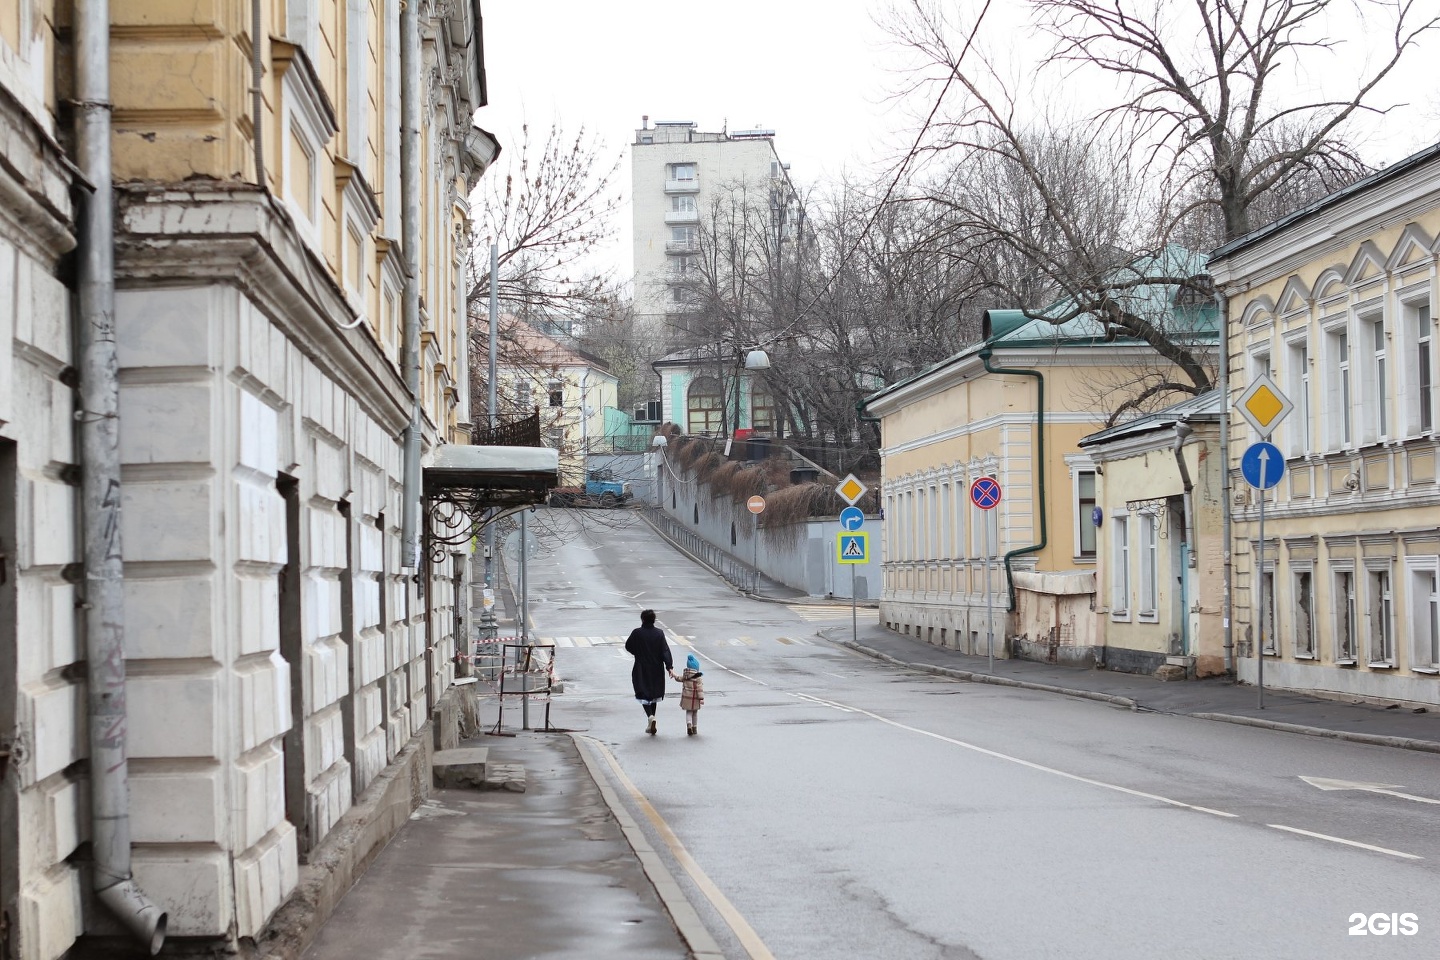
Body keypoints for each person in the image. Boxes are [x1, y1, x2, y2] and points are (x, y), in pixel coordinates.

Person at [625, 609, 672, 735]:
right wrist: (669, 666)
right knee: (654, 694)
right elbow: (665, 651)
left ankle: (650, 717)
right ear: (654, 620)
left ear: (642, 619)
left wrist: (637, 653)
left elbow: (628, 646)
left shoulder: (637, 633)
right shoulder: (659, 633)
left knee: (643, 693)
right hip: (656, 668)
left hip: (641, 666)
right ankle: (652, 719)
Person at [676, 653, 704, 736]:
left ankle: (689, 725)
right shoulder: (698, 677)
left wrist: (674, 675)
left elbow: (679, 678)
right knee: (695, 713)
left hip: (687, 698)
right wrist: (701, 698)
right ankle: (694, 727)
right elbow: (699, 689)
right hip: (695, 698)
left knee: (689, 712)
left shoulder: (685, 676)